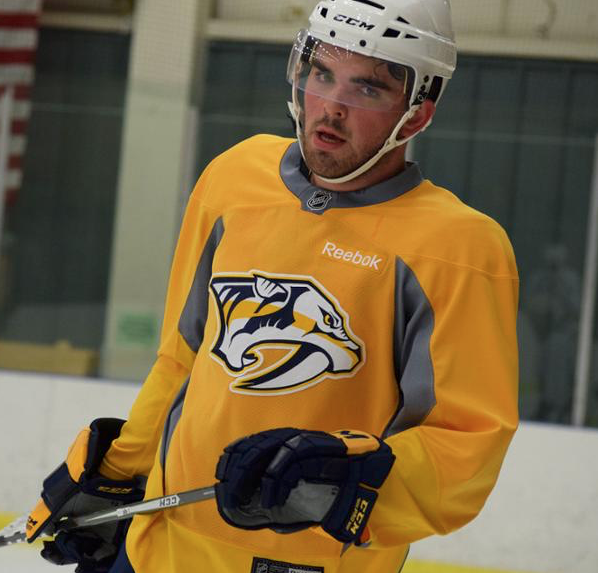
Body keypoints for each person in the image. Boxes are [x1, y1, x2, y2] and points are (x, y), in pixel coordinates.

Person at [26, 0, 519, 571]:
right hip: (161, 547)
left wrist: (344, 477)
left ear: (415, 115)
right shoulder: (235, 177)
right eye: (322, 73)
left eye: (367, 90)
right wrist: (119, 472)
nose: (330, 108)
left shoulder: (459, 248)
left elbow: (467, 444)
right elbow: (185, 355)